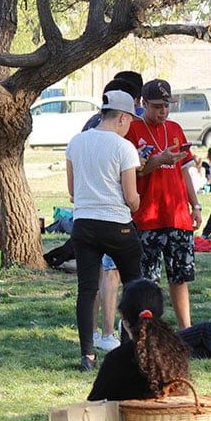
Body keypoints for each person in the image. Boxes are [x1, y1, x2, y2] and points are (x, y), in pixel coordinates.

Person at [0, 278, 190, 421]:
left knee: (70, 418)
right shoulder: (176, 353)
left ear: (124, 320)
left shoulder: (118, 359)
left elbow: (93, 406)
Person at [65, 89, 142, 371]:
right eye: (130, 120)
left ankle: (87, 354)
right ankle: (131, 347)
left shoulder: (76, 142)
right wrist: (136, 202)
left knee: (87, 289)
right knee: (134, 285)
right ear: (122, 118)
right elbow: (131, 197)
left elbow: (72, 191)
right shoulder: (124, 148)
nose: (130, 125)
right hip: (116, 223)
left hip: (84, 223)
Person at [125, 79, 201, 330]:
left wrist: (195, 206)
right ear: (144, 103)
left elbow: (184, 171)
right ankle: (147, 331)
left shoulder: (176, 128)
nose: (163, 111)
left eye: (167, 106)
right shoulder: (133, 129)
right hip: (147, 216)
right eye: (157, 106)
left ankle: (186, 330)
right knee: (147, 281)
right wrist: (159, 160)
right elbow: (134, 172)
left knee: (180, 277)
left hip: (177, 215)